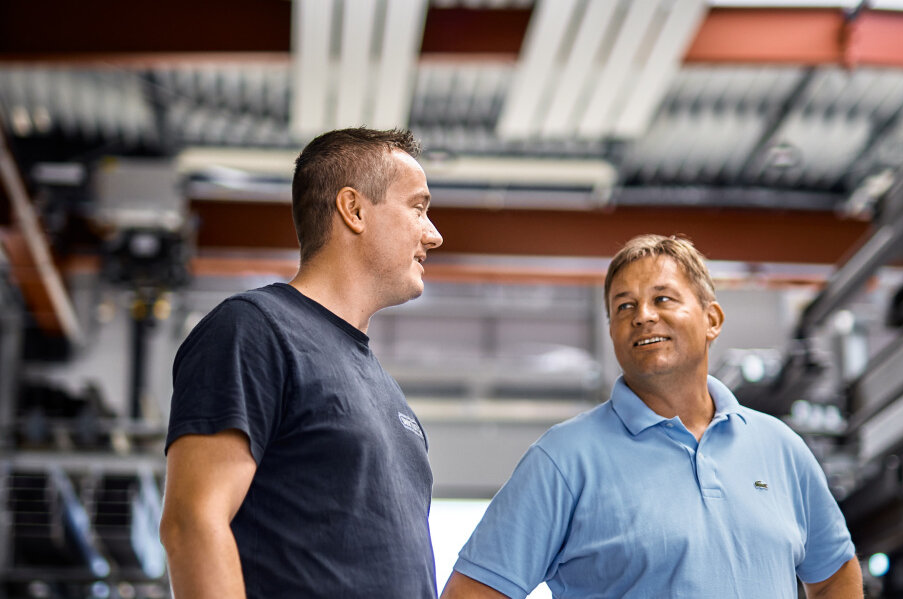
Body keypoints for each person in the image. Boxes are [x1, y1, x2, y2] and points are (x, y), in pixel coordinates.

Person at [441, 234, 862, 599]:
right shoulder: (565, 459)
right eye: (624, 307)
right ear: (612, 333)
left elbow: (835, 575)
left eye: (662, 298)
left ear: (712, 319)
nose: (642, 315)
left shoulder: (781, 448)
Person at [159, 127, 444, 598]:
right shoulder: (254, 330)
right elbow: (192, 522)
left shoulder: (387, 392)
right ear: (353, 210)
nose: (433, 235)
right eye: (418, 207)